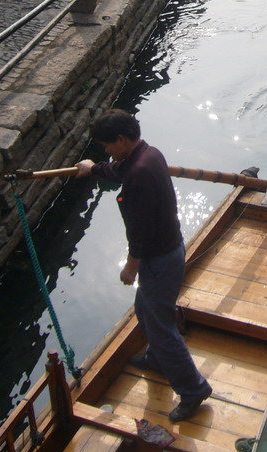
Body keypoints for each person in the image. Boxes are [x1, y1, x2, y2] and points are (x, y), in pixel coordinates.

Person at [75, 109, 212, 422]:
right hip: (168, 249)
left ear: (122, 139)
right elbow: (118, 170)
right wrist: (93, 169)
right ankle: (157, 360)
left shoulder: (138, 173)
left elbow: (141, 231)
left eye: (107, 146)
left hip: (157, 258)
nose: (106, 151)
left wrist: (130, 267)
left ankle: (193, 389)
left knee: (162, 328)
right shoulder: (149, 155)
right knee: (145, 309)